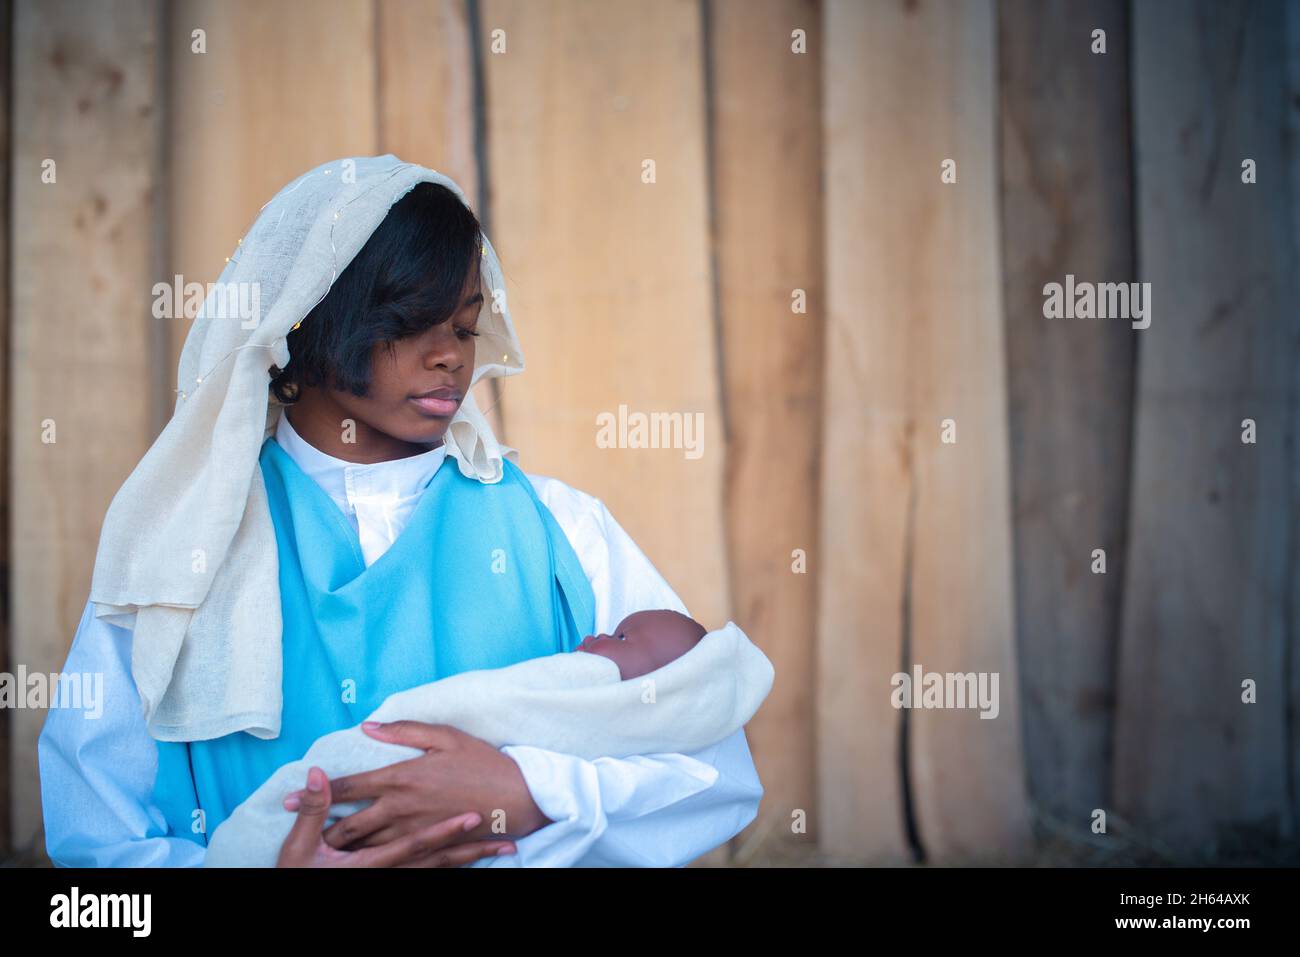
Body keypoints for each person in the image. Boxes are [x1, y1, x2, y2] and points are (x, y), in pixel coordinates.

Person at [37, 156, 764, 868]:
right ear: (303, 321)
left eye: (464, 326)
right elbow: (96, 845)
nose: (449, 355)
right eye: (412, 321)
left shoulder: (562, 531)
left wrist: (530, 791)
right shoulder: (177, 555)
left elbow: (715, 774)